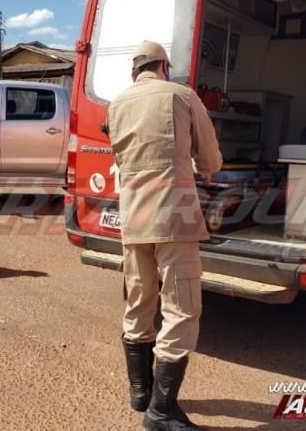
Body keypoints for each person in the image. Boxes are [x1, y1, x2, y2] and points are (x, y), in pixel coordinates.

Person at [107, 41, 222, 430]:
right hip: (174, 216)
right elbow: (211, 160)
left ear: (134, 70)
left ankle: (140, 395)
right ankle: (161, 411)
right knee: (182, 307)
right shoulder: (182, 95)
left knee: (139, 300)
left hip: (132, 217)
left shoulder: (116, 103)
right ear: (164, 66)